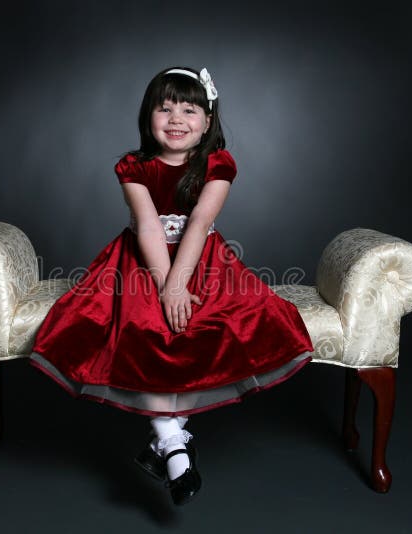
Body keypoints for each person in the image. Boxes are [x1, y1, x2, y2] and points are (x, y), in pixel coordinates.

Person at [30, 66, 314, 506]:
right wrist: (165, 286)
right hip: (141, 263)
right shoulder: (134, 166)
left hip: (202, 261)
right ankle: (175, 448)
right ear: (148, 117)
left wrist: (180, 285)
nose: (176, 118)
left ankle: (165, 442)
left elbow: (199, 223)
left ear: (206, 121)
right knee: (142, 326)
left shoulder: (219, 163)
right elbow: (146, 225)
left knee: (204, 327)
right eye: (165, 108)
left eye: (189, 109)